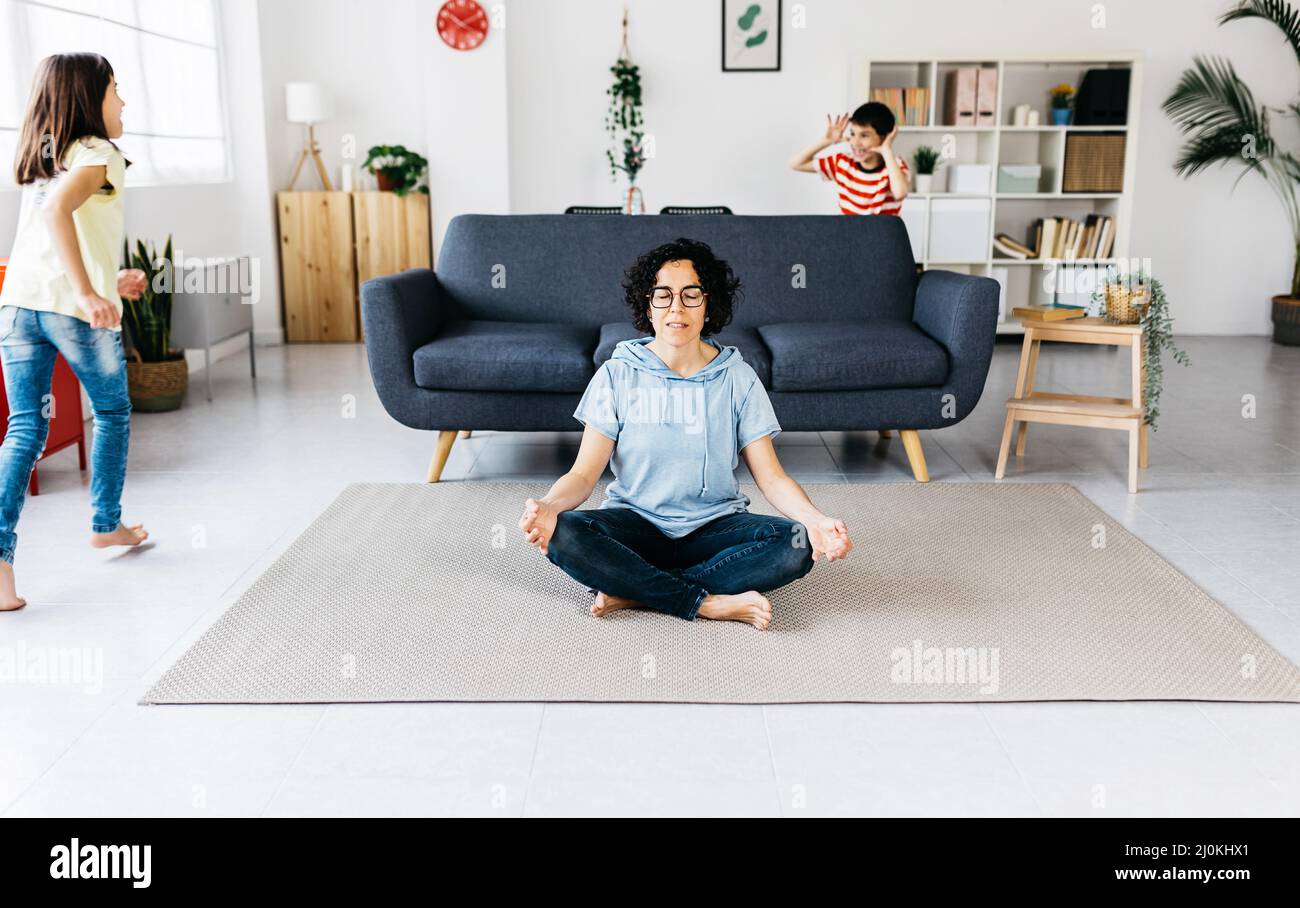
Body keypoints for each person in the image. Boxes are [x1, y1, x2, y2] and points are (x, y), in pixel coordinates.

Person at [518, 238, 853, 630]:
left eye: (690, 295)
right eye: (663, 295)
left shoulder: (738, 378)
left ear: (708, 304)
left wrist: (815, 520)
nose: (676, 307)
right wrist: (550, 506)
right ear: (648, 305)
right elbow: (583, 475)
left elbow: (772, 477)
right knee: (566, 534)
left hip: (714, 525)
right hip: (635, 524)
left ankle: (635, 589)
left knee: (796, 544)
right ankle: (708, 601)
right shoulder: (616, 375)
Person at [0, 53, 150, 612]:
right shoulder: (100, 153)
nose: (123, 101)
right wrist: (90, 295)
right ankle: (106, 524)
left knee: (23, 432)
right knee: (110, 410)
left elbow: (49, 245)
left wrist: (107, 278)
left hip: (18, 306)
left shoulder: (46, 159)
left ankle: (0, 568)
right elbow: (59, 216)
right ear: (90, 97)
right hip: (70, 311)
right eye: (115, 89)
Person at [789, 101, 910, 215]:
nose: (855, 143)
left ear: (884, 138)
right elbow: (796, 164)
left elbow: (900, 193)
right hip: (848, 234)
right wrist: (826, 141)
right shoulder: (842, 162)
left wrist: (886, 150)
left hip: (882, 236)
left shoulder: (895, 165)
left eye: (864, 135)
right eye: (852, 134)